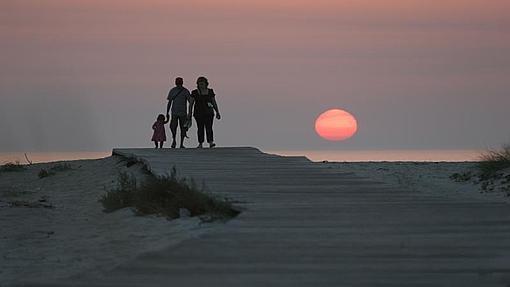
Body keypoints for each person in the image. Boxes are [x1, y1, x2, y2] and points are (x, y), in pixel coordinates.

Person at [190, 76, 221, 148]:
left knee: (209, 127)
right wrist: (189, 113)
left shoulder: (210, 91)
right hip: (198, 113)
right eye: (200, 83)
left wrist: (217, 112)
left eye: (202, 83)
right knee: (200, 128)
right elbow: (191, 104)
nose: (201, 85)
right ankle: (200, 143)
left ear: (206, 84)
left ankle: (210, 142)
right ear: (197, 84)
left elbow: (214, 102)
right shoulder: (194, 92)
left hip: (209, 113)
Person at [166, 77, 192, 148]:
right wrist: (167, 112)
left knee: (182, 128)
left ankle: (181, 143)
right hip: (174, 112)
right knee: (173, 127)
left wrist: (190, 112)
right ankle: (174, 140)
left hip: (183, 113)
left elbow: (190, 102)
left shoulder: (185, 91)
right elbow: (170, 102)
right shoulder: (173, 90)